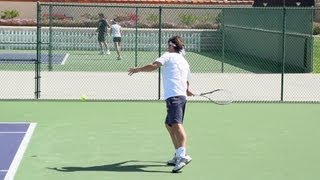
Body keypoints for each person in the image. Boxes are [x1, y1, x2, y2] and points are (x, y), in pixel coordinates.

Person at [128, 36, 193, 173]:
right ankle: (178, 154)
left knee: (176, 124)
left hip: (174, 96)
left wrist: (137, 69)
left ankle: (182, 156)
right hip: (179, 96)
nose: (166, 46)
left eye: (168, 44)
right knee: (169, 125)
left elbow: (153, 66)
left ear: (172, 46)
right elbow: (187, 81)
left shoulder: (168, 56)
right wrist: (187, 90)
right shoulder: (184, 61)